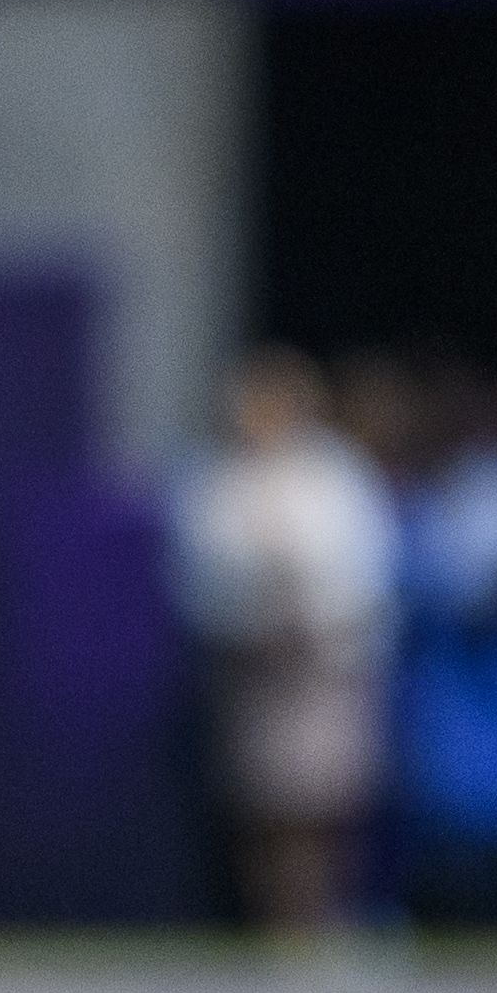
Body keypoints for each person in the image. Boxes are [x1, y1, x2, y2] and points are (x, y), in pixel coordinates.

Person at [172, 342, 396, 937]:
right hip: (251, 669)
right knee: (260, 807)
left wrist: (320, 624)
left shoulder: (335, 476)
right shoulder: (217, 479)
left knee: (326, 804)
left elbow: (366, 571)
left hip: (324, 667)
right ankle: (271, 928)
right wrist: (250, 623)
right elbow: (198, 579)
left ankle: (325, 923)